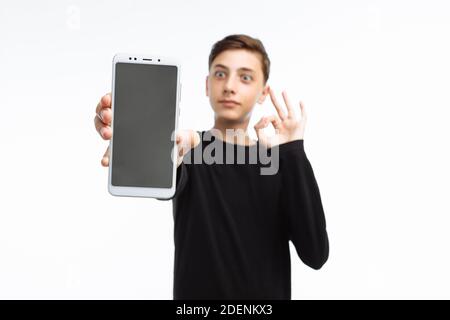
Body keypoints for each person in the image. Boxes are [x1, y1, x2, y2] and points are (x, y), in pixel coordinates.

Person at [93, 34, 329, 299]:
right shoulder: (190, 149)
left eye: (245, 77)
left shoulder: (279, 162)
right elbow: (167, 168)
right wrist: (141, 141)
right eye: (220, 74)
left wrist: (293, 151)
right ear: (207, 85)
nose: (229, 86)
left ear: (263, 92)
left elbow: (315, 254)